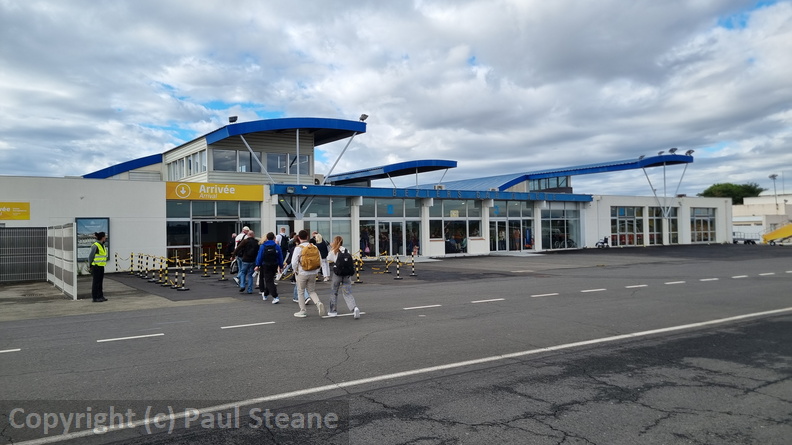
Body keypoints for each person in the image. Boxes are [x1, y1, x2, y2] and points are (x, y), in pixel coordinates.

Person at [291, 230, 326, 318]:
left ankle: (303, 311)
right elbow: (319, 260)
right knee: (311, 291)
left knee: (301, 291)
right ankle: (318, 303)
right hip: (313, 272)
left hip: (302, 272)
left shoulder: (298, 248)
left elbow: (294, 262)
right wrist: (317, 270)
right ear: (307, 237)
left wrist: (295, 270)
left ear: (299, 238)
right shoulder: (314, 246)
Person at [326, 236, 360, 319]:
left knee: (334, 292)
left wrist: (331, 248)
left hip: (337, 274)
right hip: (347, 275)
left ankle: (333, 311)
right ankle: (354, 308)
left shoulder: (333, 251)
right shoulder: (346, 250)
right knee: (347, 293)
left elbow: (328, 258)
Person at [255, 232, 283, 304]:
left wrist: (257, 265)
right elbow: (280, 256)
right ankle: (266, 294)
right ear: (274, 238)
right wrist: (281, 266)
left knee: (269, 281)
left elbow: (260, 256)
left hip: (265, 264)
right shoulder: (276, 246)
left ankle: (275, 296)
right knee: (270, 279)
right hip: (274, 264)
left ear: (267, 238)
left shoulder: (263, 246)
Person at [87, 232, 108, 303]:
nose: (106, 238)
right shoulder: (95, 246)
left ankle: (100, 296)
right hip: (96, 266)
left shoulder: (103, 245)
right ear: (102, 237)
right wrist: (90, 266)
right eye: (105, 237)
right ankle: (95, 297)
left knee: (100, 282)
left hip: (101, 266)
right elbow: (90, 257)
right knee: (96, 282)